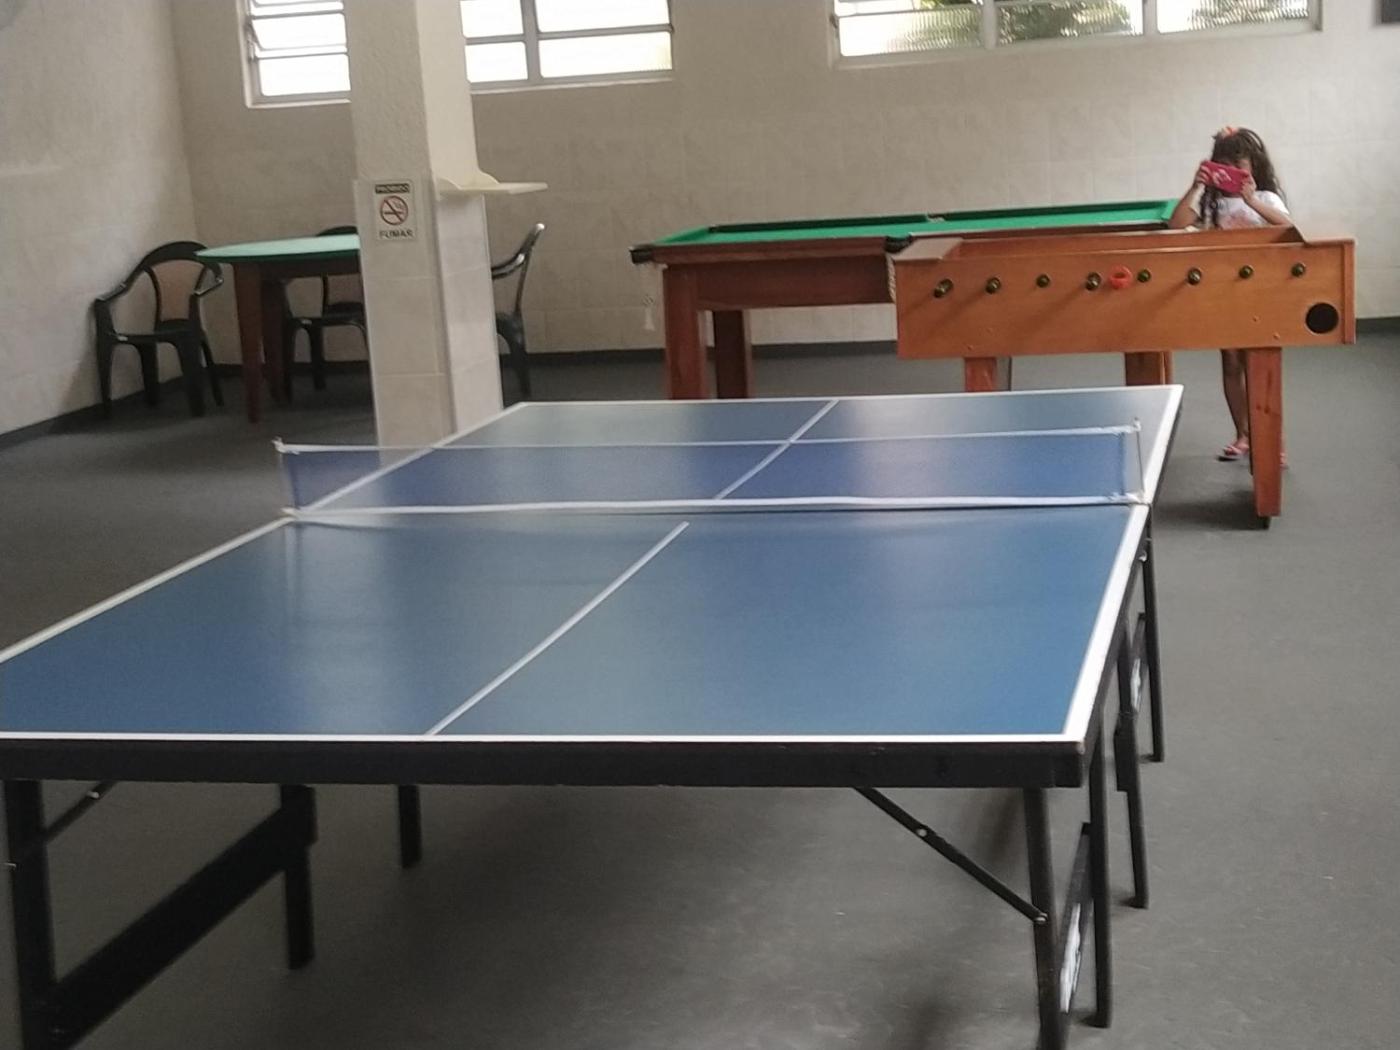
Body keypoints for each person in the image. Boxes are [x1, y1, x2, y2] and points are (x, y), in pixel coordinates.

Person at [1168, 127, 1291, 463]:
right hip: (1224, 292)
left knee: (1261, 366)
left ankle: (1273, 442)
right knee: (1231, 364)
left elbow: (1286, 227)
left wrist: (1251, 200)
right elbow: (1176, 225)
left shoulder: (1266, 199)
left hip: (1261, 292)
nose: (1232, 170)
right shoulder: (1213, 204)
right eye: (1223, 164)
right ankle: (1243, 434)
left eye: (1239, 164)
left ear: (1254, 165)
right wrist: (1195, 186)